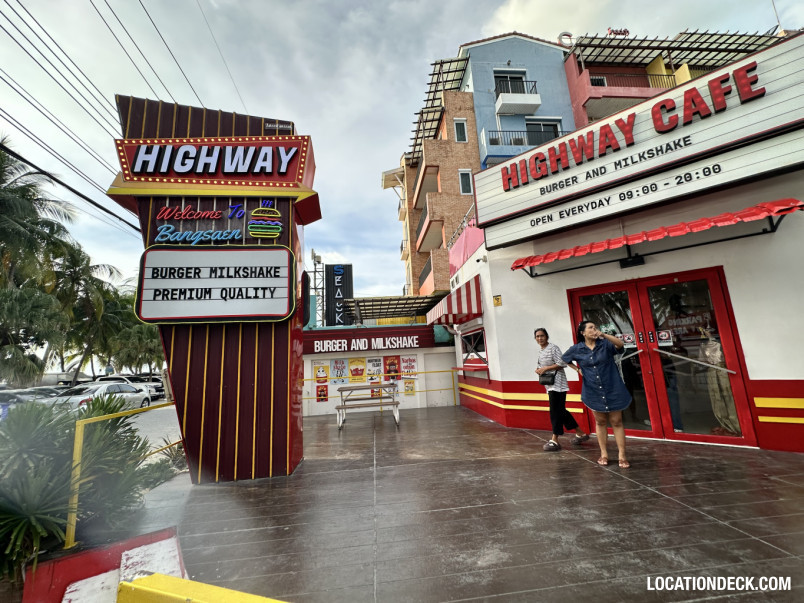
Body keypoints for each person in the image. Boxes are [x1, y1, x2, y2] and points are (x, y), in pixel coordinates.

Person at [562, 320, 632, 468]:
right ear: (583, 333)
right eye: (591, 328)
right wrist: (578, 370)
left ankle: (622, 455)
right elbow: (565, 359)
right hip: (592, 389)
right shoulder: (577, 349)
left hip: (612, 387)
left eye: (595, 327)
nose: (594, 329)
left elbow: (620, 345)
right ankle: (604, 454)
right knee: (600, 422)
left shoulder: (605, 344)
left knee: (617, 421)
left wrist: (603, 334)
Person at [534, 328, 588, 451]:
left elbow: (562, 363)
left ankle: (555, 439)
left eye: (542, 336)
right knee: (560, 410)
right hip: (549, 384)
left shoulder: (553, 348)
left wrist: (546, 369)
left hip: (558, 384)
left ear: (547, 336)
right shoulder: (541, 351)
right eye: (537, 336)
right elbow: (541, 365)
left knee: (555, 411)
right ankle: (580, 433)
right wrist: (539, 369)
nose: (540, 338)